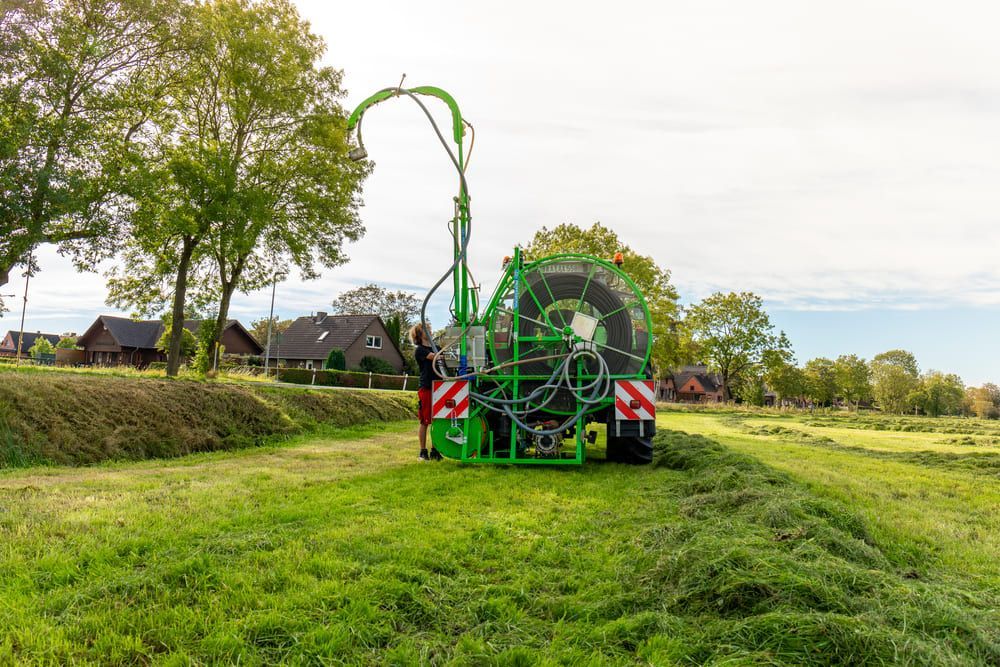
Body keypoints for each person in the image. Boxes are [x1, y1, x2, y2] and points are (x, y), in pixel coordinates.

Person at [411, 324, 443, 461]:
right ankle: (423, 451)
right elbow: (435, 357)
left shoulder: (437, 348)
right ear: (419, 334)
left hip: (440, 386)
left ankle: (435, 449)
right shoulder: (420, 350)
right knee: (425, 421)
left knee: (438, 420)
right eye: (425, 329)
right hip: (427, 387)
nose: (429, 331)